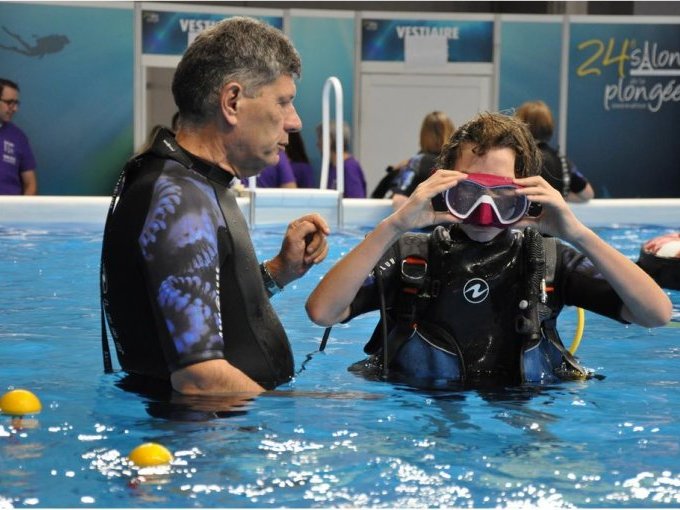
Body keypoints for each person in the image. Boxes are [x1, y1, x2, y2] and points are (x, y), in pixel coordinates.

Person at [306, 112, 671, 388]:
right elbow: (323, 311)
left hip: (519, 416)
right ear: (443, 183)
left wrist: (577, 233)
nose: (485, 212)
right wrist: (394, 225)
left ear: (528, 193)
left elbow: (655, 314)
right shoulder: (412, 255)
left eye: (503, 198)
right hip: (422, 415)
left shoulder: (548, 259)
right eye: (468, 193)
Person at [100, 16, 330, 397]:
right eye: (284, 101)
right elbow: (199, 379)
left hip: (224, 434)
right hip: (206, 446)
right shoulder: (180, 199)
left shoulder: (195, 183)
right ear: (232, 101)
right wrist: (297, 421)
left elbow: (204, 301)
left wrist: (277, 273)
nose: (295, 121)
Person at [372, 111, 454, 210]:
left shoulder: (416, 162)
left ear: (423, 135)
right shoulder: (456, 164)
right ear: (452, 132)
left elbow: (398, 200)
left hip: (417, 222)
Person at [515, 100, 594, 203]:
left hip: (526, 217)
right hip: (554, 217)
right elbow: (588, 193)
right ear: (549, 126)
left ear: (521, 125)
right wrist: (558, 197)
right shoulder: (562, 160)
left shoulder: (518, 158)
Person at [0, 78, 37, 195]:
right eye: (9, 103)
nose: (15, 109)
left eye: (16, 103)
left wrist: (23, 211)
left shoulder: (18, 137)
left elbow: (30, 184)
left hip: (10, 210)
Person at [316, 121, 367, 198]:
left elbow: (356, 201)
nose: (318, 144)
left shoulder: (350, 167)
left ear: (330, 140)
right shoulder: (331, 167)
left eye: (320, 139)